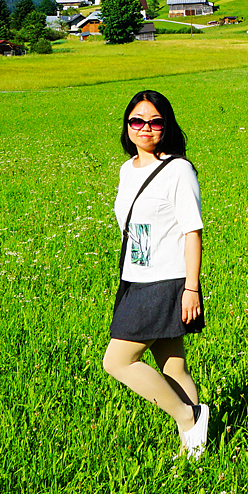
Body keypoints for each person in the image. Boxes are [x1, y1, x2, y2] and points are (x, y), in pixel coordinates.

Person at [102, 89, 210, 459]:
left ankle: (188, 418)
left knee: (117, 361)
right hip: (135, 278)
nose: (145, 128)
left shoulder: (178, 169)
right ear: (127, 126)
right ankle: (194, 450)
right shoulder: (126, 169)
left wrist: (191, 288)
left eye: (155, 121)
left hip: (166, 281)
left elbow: (191, 231)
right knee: (174, 367)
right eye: (137, 121)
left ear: (167, 125)